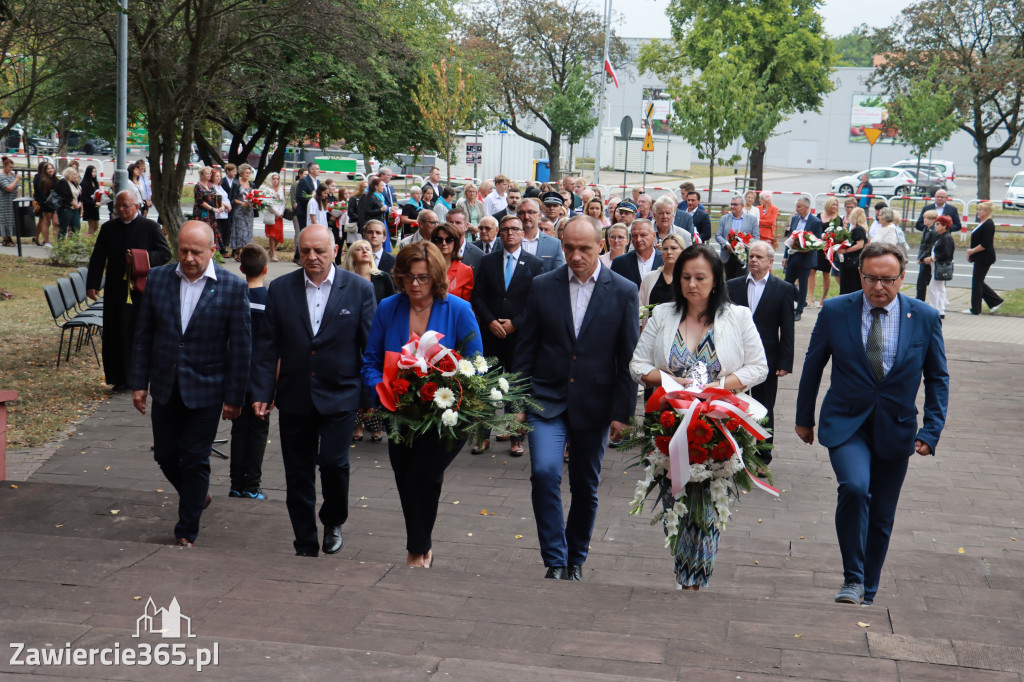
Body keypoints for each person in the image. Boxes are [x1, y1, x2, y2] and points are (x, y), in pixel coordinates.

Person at [795, 241, 949, 606]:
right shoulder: (836, 311)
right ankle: (852, 578)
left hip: (895, 428)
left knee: (881, 513)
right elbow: (813, 365)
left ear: (902, 277)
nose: (878, 287)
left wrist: (931, 429)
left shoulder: (924, 317)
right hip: (846, 422)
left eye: (887, 279)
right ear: (860, 275)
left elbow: (938, 377)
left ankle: (869, 588)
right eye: (870, 279)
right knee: (854, 487)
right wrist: (804, 418)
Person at [630, 244, 767, 589]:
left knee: (708, 503)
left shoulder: (737, 317)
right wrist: (667, 381)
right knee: (674, 497)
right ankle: (682, 571)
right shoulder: (662, 314)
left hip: (718, 424)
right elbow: (637, 364)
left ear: (716, 281)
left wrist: (720, 387)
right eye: (686, 277)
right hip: (669, 423)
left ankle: (696, 580)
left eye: (700, 278)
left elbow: (758, 367)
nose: (692, 284)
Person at [515, 215, 640, 581]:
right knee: (544, 472)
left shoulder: (622, 290)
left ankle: (576, 557)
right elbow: (526, 349)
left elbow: (627, 356)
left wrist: (623, 412)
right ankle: (555, 558)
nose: (575, 256)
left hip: (595, 403)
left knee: (586, 484)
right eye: (568, 248)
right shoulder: (542, 285)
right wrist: (519, 402)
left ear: (601, 245)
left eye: (584, 248)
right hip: (546, 398)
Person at [252, 224, 376, 557]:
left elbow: (369, 346)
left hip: (341, 392)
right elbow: (267, 346)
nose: (312, 257)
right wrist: (263, 392)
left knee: (334, 464)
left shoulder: (359, 289)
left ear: (335, 250)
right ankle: (304, 538)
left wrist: (369, 398)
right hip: (295, 393)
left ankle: (333, 520)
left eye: (319, 251)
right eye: (305, 251)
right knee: (298, 472)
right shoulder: (280, 289)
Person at [130, 221, 252, 548]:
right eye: (182, 250)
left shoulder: (231, 287)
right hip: (166, 385)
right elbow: (144, 336)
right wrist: (139, 383)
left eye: (196, 252)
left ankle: (187, 528)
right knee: (166, 455)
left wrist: (234, 397)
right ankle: (198, 495)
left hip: (208, 388)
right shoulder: (158, 279)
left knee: (195, 457)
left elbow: (241, 347)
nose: (188, 258)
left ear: (212, 250)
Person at [362, 241, 483, 568]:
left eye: (424, 278)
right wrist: (380, 388)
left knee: (424, 475)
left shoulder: (458, 309)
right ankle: (421, 544)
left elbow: (476, 365)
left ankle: (417, 551)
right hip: (400, 412)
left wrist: (451, 386)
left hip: (448, 415)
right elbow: (371, 361)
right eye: (409, 277)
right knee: (405, 476)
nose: (415, 285)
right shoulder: (388, 307)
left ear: (437, 277)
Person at [470, 214, 544, 456]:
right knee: (487, 387)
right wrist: (490, 321)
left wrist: (516, 323)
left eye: (515, 229)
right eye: (505, 229)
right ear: (499, 234)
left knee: (516, 389)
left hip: (519, 338)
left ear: (523, 233)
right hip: (491, 335)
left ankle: (516, 437)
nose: (510, 233)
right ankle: (483, 436)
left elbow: (536, 302)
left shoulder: (534, 264)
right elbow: (477, 296)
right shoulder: (488, 261)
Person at [86, 192, 171, 389]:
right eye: (118, 206)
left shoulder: (149, 227)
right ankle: (118, 378)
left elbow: (164, 254)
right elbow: (98, 257)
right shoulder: (108, 228)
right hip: (116, 289)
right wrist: (92, 284)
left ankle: (139, 377)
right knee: (115, 332)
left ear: (136, 207)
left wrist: (140, 258)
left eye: (125, 206)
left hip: (140, 291)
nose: (121, 210)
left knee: (137, 333)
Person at [726, 241, 795, 463]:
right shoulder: (733, 285)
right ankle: (734, 449)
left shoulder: (783, 289)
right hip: (735, 358)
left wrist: (785, 362)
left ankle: (763, 454)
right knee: (735, 403)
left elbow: (787, 328)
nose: (753, 260)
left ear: (770, 262)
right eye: (751, 256)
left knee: (765, 407)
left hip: (767, 358)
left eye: (759, 257)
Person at [342, 238, 395, 444]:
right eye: (359, 248)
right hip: (350, 335)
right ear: (351, 255)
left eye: (367, 248)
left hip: (377, 332)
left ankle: (375, 425)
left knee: (374, 377)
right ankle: (357, 423)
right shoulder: (344, 278)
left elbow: (392, 304)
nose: (365, 250)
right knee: (355, 376)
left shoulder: (382, 278)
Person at [230, 243, 271, 500]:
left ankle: (236, 483)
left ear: (241, 268)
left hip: (237, 375)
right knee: (258, 430)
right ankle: (252, 485)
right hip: (261, 378)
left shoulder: (235, 297)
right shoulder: (271, 300)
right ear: (266, 269)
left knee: (238, 430)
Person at [782, 197, 823, 321]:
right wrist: (785, 256)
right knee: (787, 283)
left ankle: (798, 311)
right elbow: (789, 239)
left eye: (799, 207)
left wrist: (807, 248)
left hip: (806, 258)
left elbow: (817, 241)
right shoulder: (794, 219)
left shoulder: (815, 221)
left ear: (806, 208)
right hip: (793, 256)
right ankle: (799, 300)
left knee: (803, 284)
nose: (796, 209)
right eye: (796, 206)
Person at [965, 201, 1004, 315]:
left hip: (985, 257)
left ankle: (976, 309)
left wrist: (972, 251)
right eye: (977, 209)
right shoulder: (982, 223)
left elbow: (985, 244)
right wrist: (971, 254)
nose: (978, 212)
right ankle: (995, 301)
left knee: (977, 282)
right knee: (978, 281)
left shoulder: (988, 224)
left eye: (980, 210)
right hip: (979, 256)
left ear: (987, 211)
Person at [515, 198, 566, 272]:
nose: (526, 216)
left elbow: (558, 274)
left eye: (531, 212)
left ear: (539, 215)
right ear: (517, 216)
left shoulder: (554, 244)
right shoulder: (504, 241)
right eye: (522, 213)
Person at [639, 232, 686, 311]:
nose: (669, 252)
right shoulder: (649, 277)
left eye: (673, 248)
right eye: (665, 248)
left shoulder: (687, 278)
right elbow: (640, 306)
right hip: (651, 322)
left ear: (682, 251)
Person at [715, 195, 759, 279]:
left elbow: (756, 237)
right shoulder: (724, 218)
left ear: (742, 206)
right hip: (728, 255)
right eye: (731, 204)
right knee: (729, 281)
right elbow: (718, 235)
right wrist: (726, 244)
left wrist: (747, 246)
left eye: (735, 204)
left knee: (741, 280)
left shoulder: (752, 219)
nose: (732, 206)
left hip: (744, 256)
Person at [431, 220, 474, 302]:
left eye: (448, 240)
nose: (444, 243)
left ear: (455, 242)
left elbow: (467, 304)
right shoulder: (425, 268)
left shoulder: (465, 271)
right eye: (440, 240)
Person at [612, 219, 662, 288]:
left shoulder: (665, 261)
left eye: (643, 235)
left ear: (653, 236)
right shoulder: (619, 263)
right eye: (635, 236)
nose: (638, 239)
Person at [812, 197, 842, 308]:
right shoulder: (819, 215)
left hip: (828, 249)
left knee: (825, 273)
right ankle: (810, 297)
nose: (835, 207)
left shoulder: (838, 219)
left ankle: (823, 299)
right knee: (812, 270)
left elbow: (838, 235)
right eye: (833, 204)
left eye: (836, 205)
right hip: (816, 246)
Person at [924, 215, 955, 318]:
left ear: (944, 226)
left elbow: (945, 253)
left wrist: (932, 258)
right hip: (938, 265)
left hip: (940, 265)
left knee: (934, 287)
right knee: (940, 287)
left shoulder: (946, 237)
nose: (935, 226)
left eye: (938, 224)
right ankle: (941, 310)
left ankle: (934, 309)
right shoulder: (944, 236)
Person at [837, 207, 869, 295]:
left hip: (853, 261)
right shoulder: (860, 229)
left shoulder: (858, 229)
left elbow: (860, 245)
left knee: (851, 286)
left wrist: (845, 251)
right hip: (853, 261)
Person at [293, 162, 319, 261]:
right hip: (304, 212)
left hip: (313, 212)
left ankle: (298, 256)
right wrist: (311, 200)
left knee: (310, 235)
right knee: (304, 234)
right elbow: (299, 196)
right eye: (317, 169)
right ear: (311, 170)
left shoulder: (318, 181)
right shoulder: (304, 181)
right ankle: (298, 256)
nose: (319, 170)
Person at [229, 163, 255, 259]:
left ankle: (245, 253)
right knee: (241, 232)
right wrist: (242, 203)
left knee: (248, 232)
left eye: (249, 173)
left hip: (249, 211)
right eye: (246, 173)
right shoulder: (236, 183)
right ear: (241, 173)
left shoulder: (251, 184)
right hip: (239, 211)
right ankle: (238, 252)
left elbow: (255, 196)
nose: (248, 175)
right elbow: (233, 198)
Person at [914, 208, 939, 301]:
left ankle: (920, 299)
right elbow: (922, 245)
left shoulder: (934, 231)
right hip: (924, 257)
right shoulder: (926, 228)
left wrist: (922, 257)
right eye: (924, 218)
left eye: (927, 218)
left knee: (923, 281)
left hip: (928, 258)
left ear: (933, 220)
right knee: (924, 280)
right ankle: (920, 298)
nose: (924, 220)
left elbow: (930, 247)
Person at [261, 172, 286, 262]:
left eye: (277, 179)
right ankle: (273, 253)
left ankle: (271, 251)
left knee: (278, 235)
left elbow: (283, 202)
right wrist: (277, 213)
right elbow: (269, 204)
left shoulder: (280, 189)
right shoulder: (267, 189)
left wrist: (281, 212)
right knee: (272, 235)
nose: (276, 181)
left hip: (280, 215)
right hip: (272, 215)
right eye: (274, 179)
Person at [53, 167, 83, 239]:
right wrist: (74, 203)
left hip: (75, 209)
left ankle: (73, 245)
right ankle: (61, 245)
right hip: (66, 208)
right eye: (74, 174)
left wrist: (79, 204)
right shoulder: (63, 182)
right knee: (63, 228)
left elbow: (79, 195)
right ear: (69, 174)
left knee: (76, 227)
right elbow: (65, 195)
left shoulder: (73, 183)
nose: (76, 176)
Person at [33, 161, 57, 248]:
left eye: (51, 168)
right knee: (44, 221)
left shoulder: (54, 178)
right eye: (47, 168)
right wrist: (44, 203)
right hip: (44, 203)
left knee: (51, 222)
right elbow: (39, 192)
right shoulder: (39, 178)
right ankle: (43, 239)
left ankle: (39, 237)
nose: (50, 170)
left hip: (53, 203)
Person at [211, 168, 231, 255]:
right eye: (216, 176)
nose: (219, 178)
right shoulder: (212, 187)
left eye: (220, 176)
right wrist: (226, 205)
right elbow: (216, 198)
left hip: (225, 213)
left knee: (225, 232)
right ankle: (219, 251)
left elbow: (225, 198)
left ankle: (223, 249)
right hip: (218, 213)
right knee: (218, 232)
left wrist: (228, 206)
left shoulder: (220, 186)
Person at [0, 156, 17, 247]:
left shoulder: (11, 174)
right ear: (4, 166)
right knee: (4, 220)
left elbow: (16, 187)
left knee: (10, 220)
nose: (11, 169)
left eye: (12, 167)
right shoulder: (1, 176)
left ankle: (8, 237)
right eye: (10, 167)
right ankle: (6, 239)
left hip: (12, 201)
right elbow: (8, 188)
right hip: (4, 202)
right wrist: (17, 179)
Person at [80, 165, 101, 235]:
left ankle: (86, 236)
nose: (94, 173)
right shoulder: (84, 183)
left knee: (96, 226)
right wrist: (94, 203)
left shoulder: (95, 183)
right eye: (93, 172)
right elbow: (84, 197)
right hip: (89, 206)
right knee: (91, 226)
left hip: (95, 206)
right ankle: (90, 240)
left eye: (95, 172)